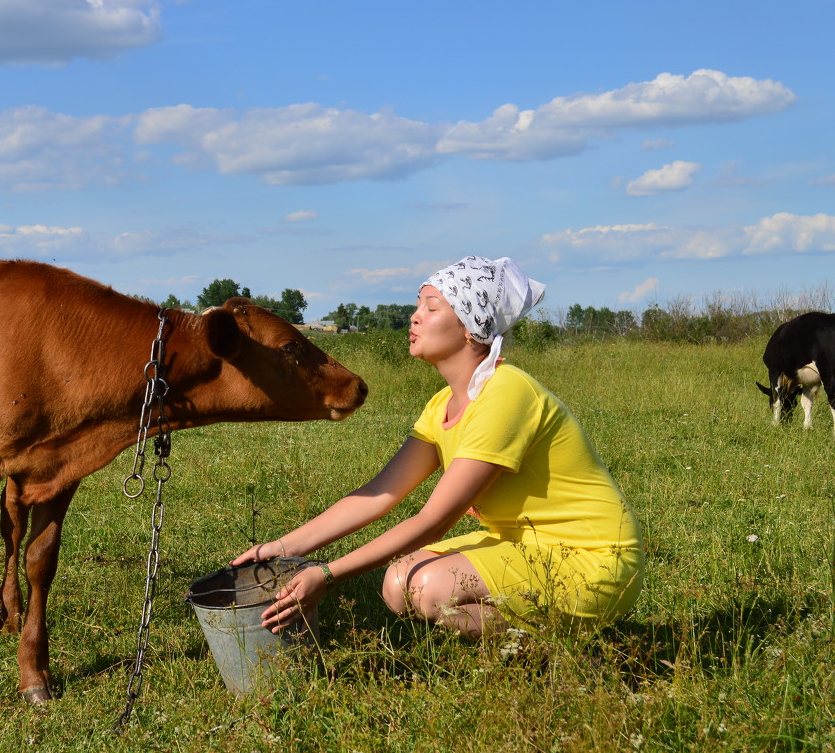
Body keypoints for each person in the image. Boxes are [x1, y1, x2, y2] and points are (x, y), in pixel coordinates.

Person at [232, 255, 644, 639]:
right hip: (522, 545)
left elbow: (434, 520)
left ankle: (556, 650)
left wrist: (327, 574)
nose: (415, 316)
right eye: (418, 305)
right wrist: (281, 549)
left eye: (431, 307)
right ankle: (530, 642)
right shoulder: (441, 405)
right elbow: (377, 496)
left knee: (428, 588)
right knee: (398, 585)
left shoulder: (506, 393)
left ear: (471, 326)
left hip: (595, 559)